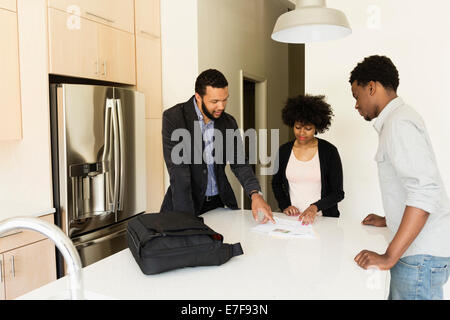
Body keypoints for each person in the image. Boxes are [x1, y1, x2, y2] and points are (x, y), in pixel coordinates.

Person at [350, 55, 450, 300]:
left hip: (419, 257)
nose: (356, 105)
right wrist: (389, 218)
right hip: (420, 254)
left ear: (371, 87)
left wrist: (389, 256)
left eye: (356, 96)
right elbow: (414, 184)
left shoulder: (399, 123)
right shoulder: (398, 120)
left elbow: (425, 191)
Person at [160, 69, 274, 223]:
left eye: (225, 99)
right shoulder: (174, 118)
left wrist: (255, 194)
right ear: (198, 97)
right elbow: (179, 173)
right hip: (186, 205)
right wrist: (187, 221)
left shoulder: (228, 122)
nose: (221, 106)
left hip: (219, 204)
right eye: (214, 102)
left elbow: (239, 163)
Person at [271, 94, 344, 225]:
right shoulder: (284, 151)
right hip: (293, 221)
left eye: (308, 128)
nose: (302, 133)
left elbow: (338, 193)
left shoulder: (329, 151)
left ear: (317, 127)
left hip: (324, 220)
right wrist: (285, 206)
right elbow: (276, 183)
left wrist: (314, 207)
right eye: (298, 127)